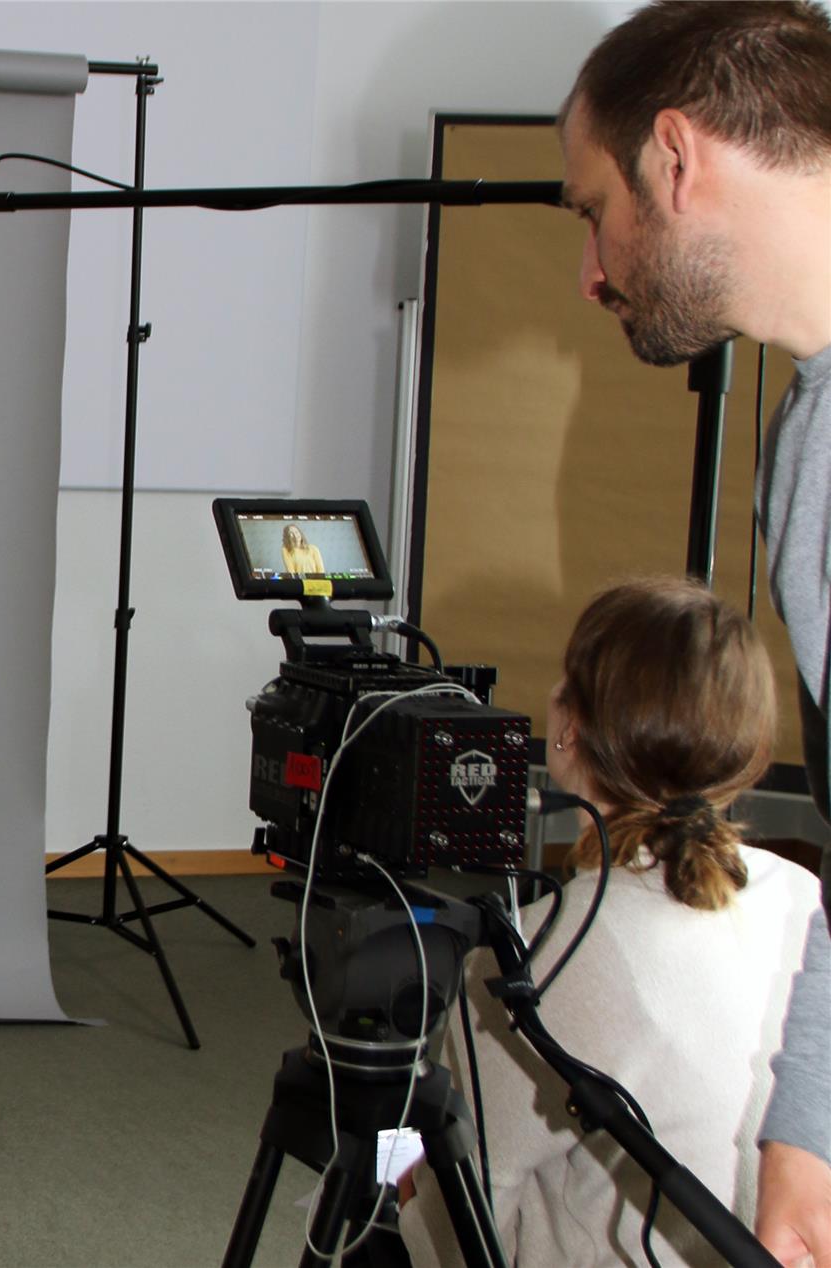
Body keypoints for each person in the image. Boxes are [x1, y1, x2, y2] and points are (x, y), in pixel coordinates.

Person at [558, 5, 831, 1260]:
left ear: (672, 157)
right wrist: (806, 1139)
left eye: (593, 211)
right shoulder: (802, 440)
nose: (592, 271)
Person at [397, 578, 827, 1266]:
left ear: (570, 727)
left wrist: (401, 1192)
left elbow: (458, 1228)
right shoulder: (806, 900)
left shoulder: (542, 954)